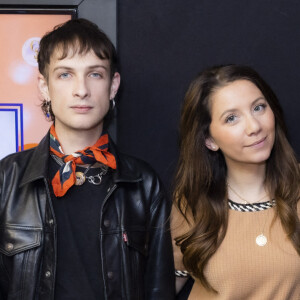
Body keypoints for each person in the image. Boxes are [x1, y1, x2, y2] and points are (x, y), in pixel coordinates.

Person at [0, 18, 174, 300]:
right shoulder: (7, 178)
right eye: (65, 75)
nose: (81, 90)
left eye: (95, 74)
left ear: (113, 85)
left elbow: (159, 291)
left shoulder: (143, 183)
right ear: (44, 87)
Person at [171, 64, 300, 299]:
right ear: (209, 140)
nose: (254, 127)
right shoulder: (192, 201)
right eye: (232, 118)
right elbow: (165, 286)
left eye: (259, 108)